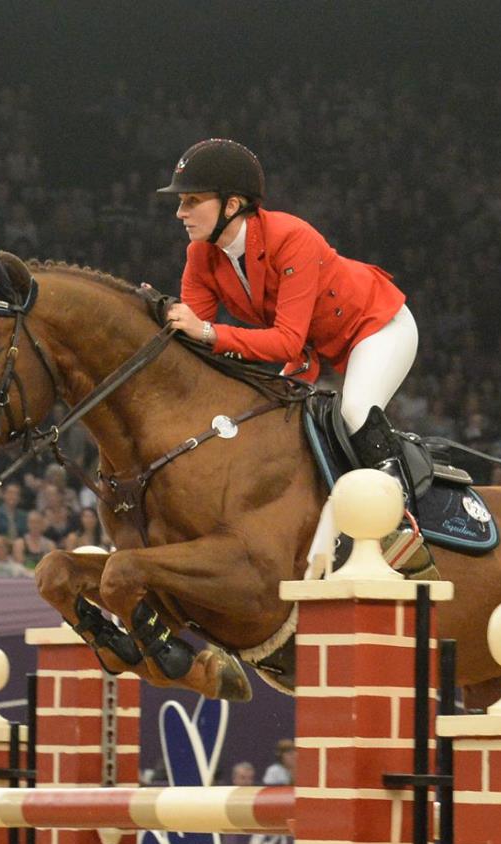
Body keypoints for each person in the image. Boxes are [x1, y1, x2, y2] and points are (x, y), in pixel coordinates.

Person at [158, 139, 414, 574]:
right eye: (181, 202)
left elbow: (285, 341)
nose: (180, 213)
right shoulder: (200, 256)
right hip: (316, 349)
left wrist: (204, 330)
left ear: (232, 204)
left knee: (353, 409)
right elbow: (193, 344)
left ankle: (400, 517)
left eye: (192, 201)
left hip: (376, 326)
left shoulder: (292, 237)